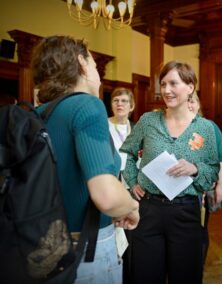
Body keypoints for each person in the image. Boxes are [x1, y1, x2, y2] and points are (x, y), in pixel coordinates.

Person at [31, 35, 140, 283]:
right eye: (93, 64)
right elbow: (106, 196)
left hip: (41, 245)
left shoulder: (39, 113)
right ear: (81, 63)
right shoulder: (87, 106)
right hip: (85, 247)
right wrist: (132, 207)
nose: (96, 72)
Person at [120, 61, 220, 284]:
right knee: (145, 276)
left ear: (190, 87)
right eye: (163, 84)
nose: (166, 90)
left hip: (187, 212)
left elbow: (212, 171)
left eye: (173, 83)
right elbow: (127, 152)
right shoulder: (148, 121)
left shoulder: (206, 128)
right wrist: (132, 180)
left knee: (185, 277)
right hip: (148, 210)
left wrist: (195, 169)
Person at [187, 91, 222, 265]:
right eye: (186, 101)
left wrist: (221, 186)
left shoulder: (209, 126)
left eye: (193, 101)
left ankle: (197, 268)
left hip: (201, 188)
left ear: (199, 104)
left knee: (200, 228)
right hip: (174, 189)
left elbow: (221, 157)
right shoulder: (170, 125)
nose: (190, 105)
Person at [107, 87, 136, 283]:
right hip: (110, 187)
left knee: (130, 235)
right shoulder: (103, 125)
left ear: (131, 105)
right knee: (113, 234)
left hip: (131, 187)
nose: (119, 104)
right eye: (116, 100)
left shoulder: (135, 128)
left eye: (124, 101)